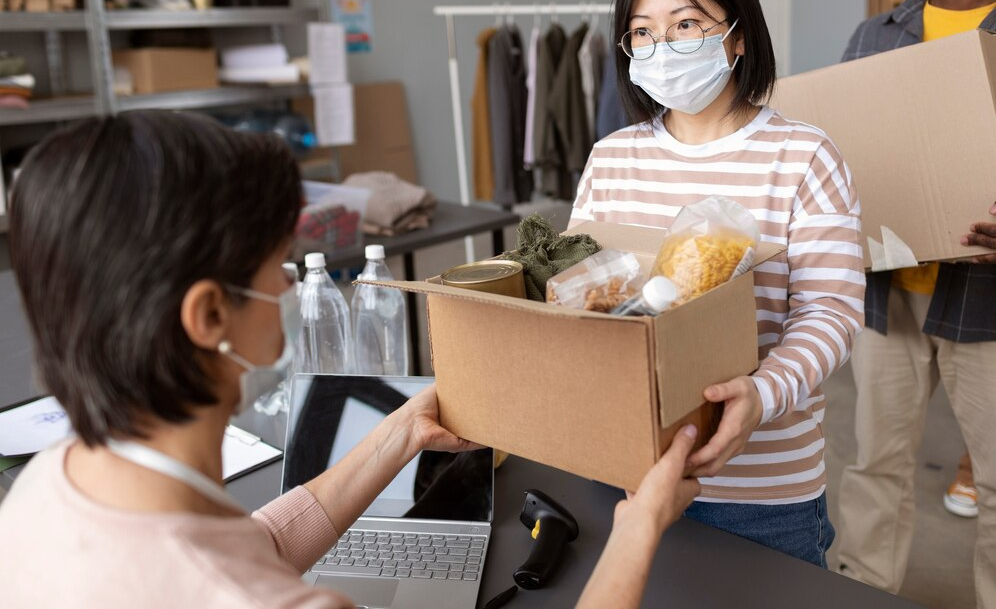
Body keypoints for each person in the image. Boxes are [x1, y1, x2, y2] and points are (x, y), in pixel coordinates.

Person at [0, 110, 699, 609]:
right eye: (274, 264)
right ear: (209, 315)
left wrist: (399, 434)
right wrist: (637, 530)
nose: (283, 286)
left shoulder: (41, 493)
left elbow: (244, 546)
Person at [570, 0, 865, 568]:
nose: (662, 47)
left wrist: (761, 393)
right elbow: (580, 300)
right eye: (642, 33)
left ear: (735, 37)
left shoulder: (805, 156)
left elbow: (831, 312)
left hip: (761, 493)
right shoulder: (611, 158)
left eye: (686, 25)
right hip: (623, 474)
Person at [834, 0, 996, 606]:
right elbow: (841, 153)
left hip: (986, 308)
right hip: (892, 295)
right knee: (875, 468)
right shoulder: (877, 34)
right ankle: (864, 593)